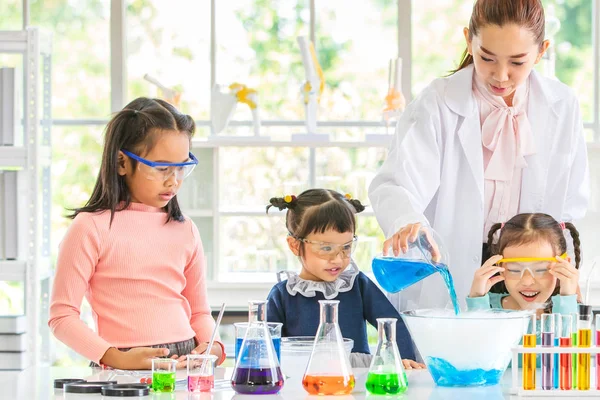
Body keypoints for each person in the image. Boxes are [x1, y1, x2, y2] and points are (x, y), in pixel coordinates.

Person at [368, 0, 589, 312]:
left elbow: (567, 206)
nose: (501, 75)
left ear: (541, 51)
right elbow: (395, 184)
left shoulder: (561, 105)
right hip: (453, 266)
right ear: (468, 41)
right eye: (487, 58)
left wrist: (565, 277)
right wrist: (407, 220)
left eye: (517, 62)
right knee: (454, 355)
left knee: (530, 358)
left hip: (527, 273)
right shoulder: (438, 102)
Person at [48, 98, 224, 369]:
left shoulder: (185, 228)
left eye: (181, 168)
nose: (173, 180)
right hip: (120, 364)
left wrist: (214, 346)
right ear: (121, 162)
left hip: (186, 362)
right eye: (162, 168)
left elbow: (199, 312)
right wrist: (117, 358)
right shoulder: (90, 227)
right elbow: (62, 317)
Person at [265, 189, 423, 369]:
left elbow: (391, 324)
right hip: (303, 378)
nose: (338, 259)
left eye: (346, 247)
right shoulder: (282, 295)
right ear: (295, 245)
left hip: (356, 377)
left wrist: (403, 359)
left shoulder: (357, 285)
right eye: (326, 248)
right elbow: (266, 346)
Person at [467, 213, 580, 315]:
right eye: (514, 270)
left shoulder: (572, 309)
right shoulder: (486, 308)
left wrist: (567, 298)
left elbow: (569, 338)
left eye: (541, 270)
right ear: (500, 267)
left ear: (564, 265)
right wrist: (477, 299)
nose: (527, 281)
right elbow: (477, 337)